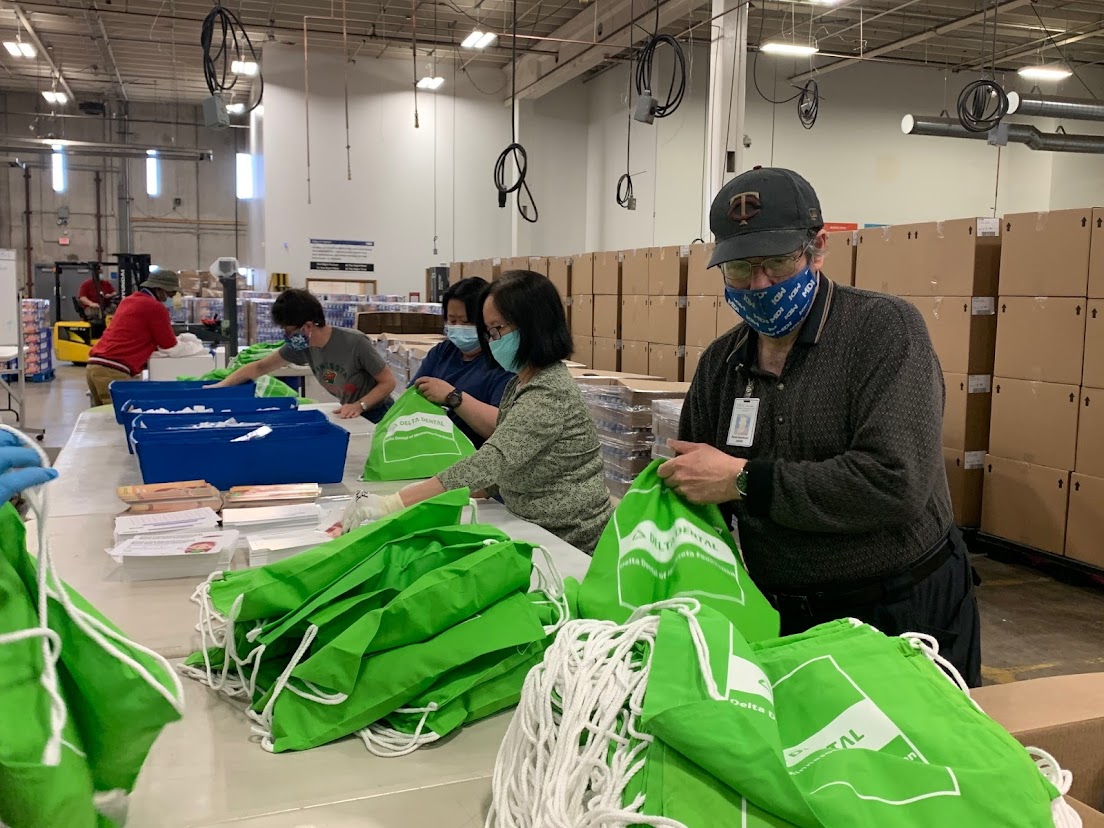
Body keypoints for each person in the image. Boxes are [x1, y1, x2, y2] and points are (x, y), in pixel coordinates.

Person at [659, 167, 982, 686]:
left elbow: (894, 482)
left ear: (818, 248)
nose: (759, 283)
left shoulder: (883, 332)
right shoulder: (722, 363)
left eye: (777, 263)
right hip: (783, 617)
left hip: (899, 614)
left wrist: (745, 479)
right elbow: (695, 478)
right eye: (741, 268)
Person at [345, 271, 613, 553]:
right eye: (489, 331)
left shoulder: (549, 391)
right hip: (530, 522)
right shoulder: (520, 383)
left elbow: (496, 458)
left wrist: (394, 503)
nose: (492, 340)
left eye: (497, 329)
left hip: (568, 540)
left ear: (533, 325)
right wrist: (459, 491)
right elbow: (519, 457)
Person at [212, 288, 397, 422]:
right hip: (351, 412)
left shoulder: (355, 343)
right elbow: (260, 367)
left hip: (380, 414)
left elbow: (388, 382)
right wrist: (220, 386)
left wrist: (360, 405)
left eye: (289, 331)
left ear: (308, 326)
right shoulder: (302, 346)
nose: (287, 336)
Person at [410, 277, 513, 448]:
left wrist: (452, 397)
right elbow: (413, 396)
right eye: (452, 321)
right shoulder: (443, 352)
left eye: (466, 322)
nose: (458, 327)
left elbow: (502, 428)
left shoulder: (502, 361)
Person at [85, 270, 182, 407]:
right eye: (170, 293)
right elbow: (168, 343)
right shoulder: (155, 307)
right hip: (113, 370)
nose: (170, 298)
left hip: (94, 366)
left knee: (101, 418)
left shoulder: (129, 300)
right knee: (117, 420)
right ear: (159, 289)